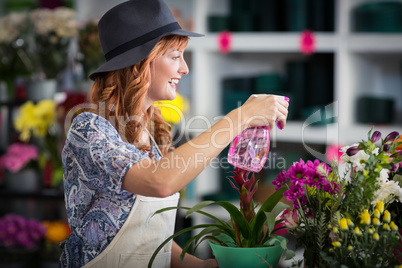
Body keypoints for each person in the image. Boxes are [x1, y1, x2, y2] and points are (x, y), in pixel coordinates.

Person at [60, 0, 289, 267]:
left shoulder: (148, 133)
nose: (184, 68)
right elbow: (160, 182)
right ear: (141, 63)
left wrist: (201, 266)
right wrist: (240, 116)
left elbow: (147, 232)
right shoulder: (89, 130)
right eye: (174, 56)